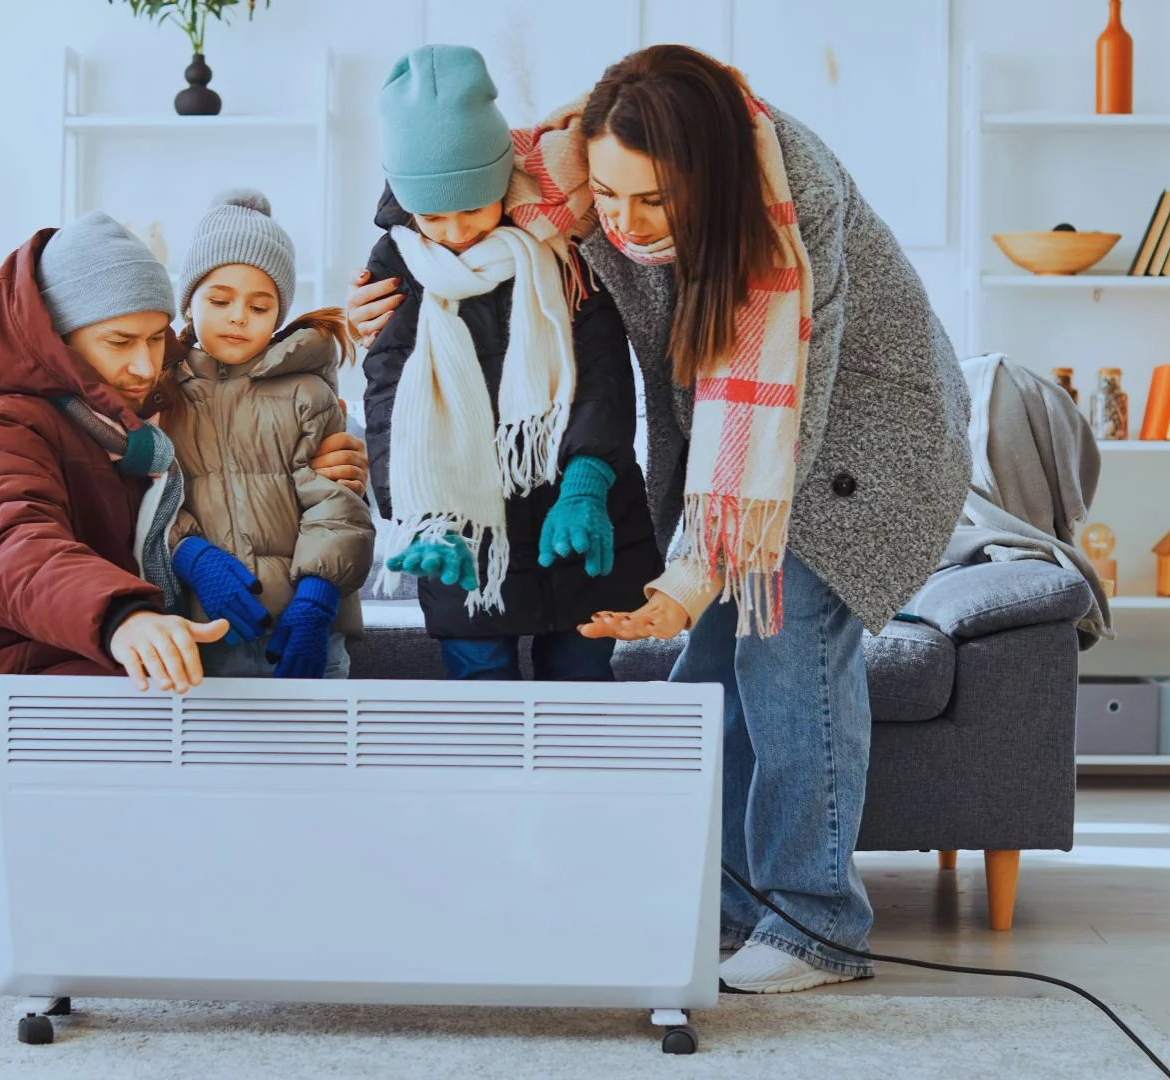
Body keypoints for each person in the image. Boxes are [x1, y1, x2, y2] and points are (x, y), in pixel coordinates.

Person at [348, 45, 971, 992]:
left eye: (653, 202)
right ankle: (723, 902)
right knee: (710, 671)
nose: (625, 226)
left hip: (854, 433)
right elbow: (444, 181)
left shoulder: (789, 205)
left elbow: (776, 411)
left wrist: (688, 581)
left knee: (783, 642)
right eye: (607, 194)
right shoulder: (572, 172)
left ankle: (818, 925)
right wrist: (382, 279)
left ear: (708, 179)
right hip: (741, 445)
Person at [0, 211, 363, 979]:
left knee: (210, 719)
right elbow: (12, 543)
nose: (142, 364)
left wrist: (329, 458)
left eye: (156, 338)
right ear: (56, 337)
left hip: (43, 657)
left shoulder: (102, 411)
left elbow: (224, 412)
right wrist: (122, 616)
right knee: (169, 731)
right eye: (119, 343)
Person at [362, 44, 659, 682]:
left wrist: (589, 481)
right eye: (433, 215)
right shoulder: (397, 267)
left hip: (572, 509)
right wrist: (420, 515)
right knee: (481, 703)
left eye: (473, 206)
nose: (455, 231)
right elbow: (389, 393)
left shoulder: (562, 245)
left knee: (581, 695)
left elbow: (603, 368)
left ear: (501, 181)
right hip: (465, 529)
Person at [162, 188, 374, 679]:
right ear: (190, 304)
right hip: (206, 630)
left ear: (278, 316)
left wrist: (318, 600)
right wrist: (189, 554)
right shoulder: (160, 393)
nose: (238, 316)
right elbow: (146, 498)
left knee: (316, 753)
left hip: (307, 629)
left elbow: (337, 503)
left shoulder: (305, 392)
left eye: (260, 307)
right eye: (220, 299)